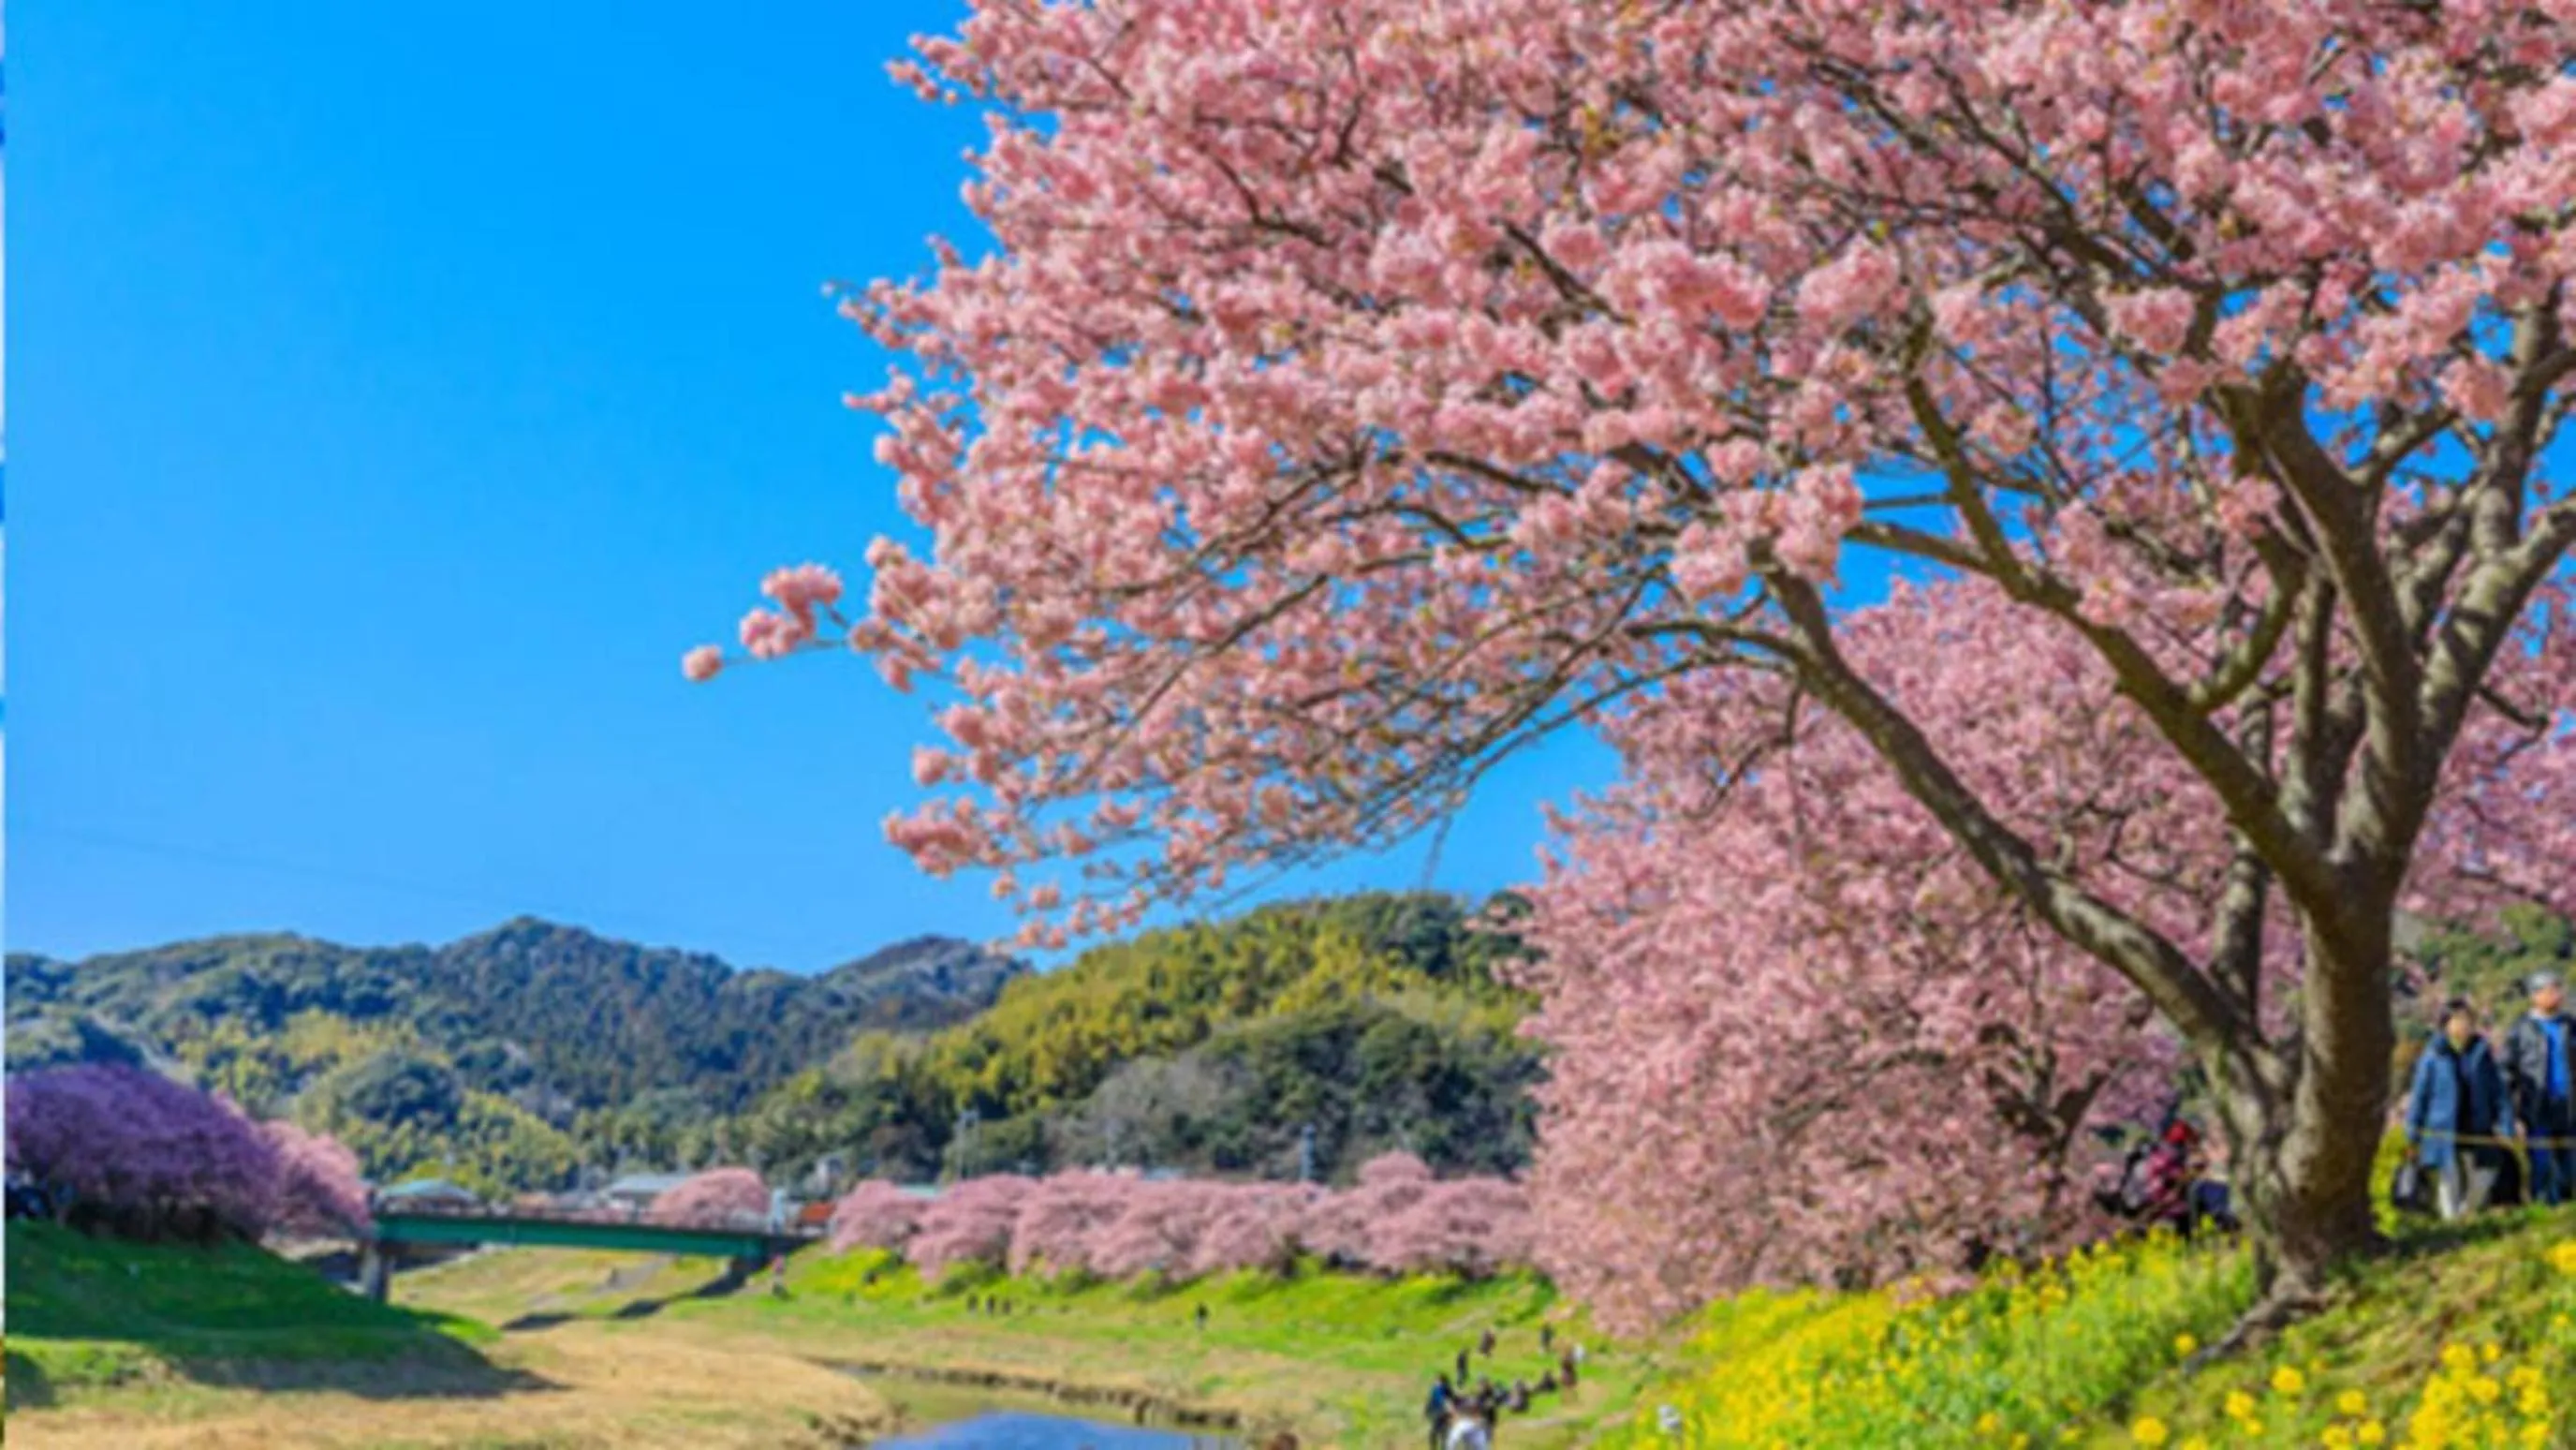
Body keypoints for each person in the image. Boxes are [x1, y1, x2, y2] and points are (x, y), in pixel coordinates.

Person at [2406, 998, 2514, 1221]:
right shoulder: (2434, 1055)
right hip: (2443, 1128)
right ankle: (2451, 1223)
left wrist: (2506, 1124)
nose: (2464, 1026)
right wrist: (2413, 1134)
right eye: (2458, 1020)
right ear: (2445, 1024)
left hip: (2478, 1126)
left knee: (2485, 1173)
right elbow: (2420, 1096)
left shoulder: (2482, 1053)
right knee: (2449, 1181)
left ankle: (2467, 1212)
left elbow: (2498, 1091)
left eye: (2468, 1021)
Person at [2507, 971, 2576, 1206]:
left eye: (2558, 988)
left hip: (2568, 1108)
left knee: (2570, 1164)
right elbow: (2508, 1073)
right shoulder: (2521, 1030)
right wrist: (2512, 1115)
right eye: (2550, 989)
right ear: (2535, 996)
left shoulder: (2570, 1026)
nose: (2556, 994)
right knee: (2541, 1165)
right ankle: (2542, 1212)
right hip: (2536, 1109)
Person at [1425, 1373, 1456, 1450]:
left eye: (1437, 1380)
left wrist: (1449, 1407)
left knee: (1434, 1434)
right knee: (1443, 1435)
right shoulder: (1447, 1388)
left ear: (1441, 1381)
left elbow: (1440, 1400)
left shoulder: (1438, 1389)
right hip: (1444, 1414)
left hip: (1440, 1414)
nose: (1435, 1382)